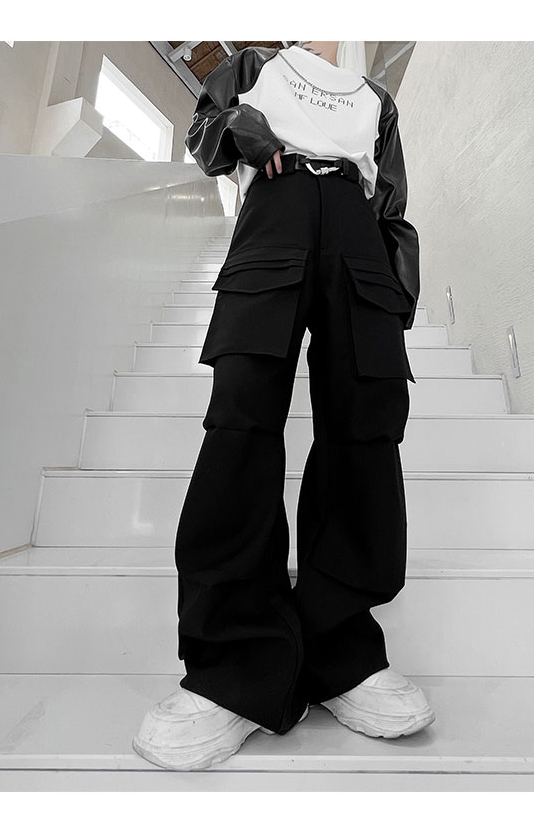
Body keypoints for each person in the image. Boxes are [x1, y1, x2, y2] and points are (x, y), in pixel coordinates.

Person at [132, 41, 435, 772]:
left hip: (357, 233)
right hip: (274, 211)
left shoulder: (376, 99)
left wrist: (396, 297)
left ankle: (342, 650)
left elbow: (392, 203)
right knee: (241, 419)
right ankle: (234, 666)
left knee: (366, 426)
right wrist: (240, 128)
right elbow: (204, 135)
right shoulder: (250, 66)